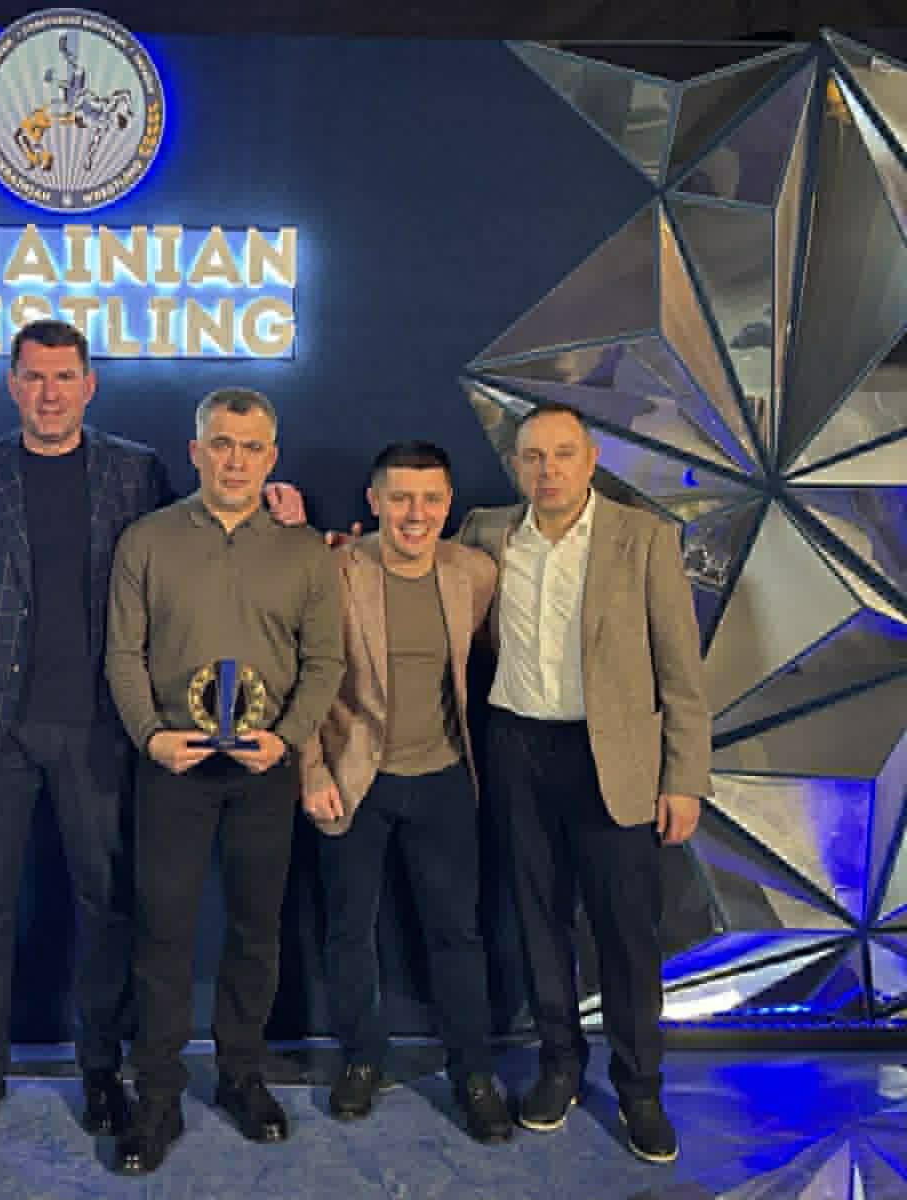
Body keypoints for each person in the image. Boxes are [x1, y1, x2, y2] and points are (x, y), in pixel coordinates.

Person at [0, 320, 304, 1144]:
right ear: (12, 384)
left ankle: (101, 1070)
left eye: (64, 377)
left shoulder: (137, 471)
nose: (49, 392)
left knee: (106, 907)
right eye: (34, 377)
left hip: (102, 727)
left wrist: (282, 515)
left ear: (89, 386)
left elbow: (201, 540)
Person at [458, 400, 709, 1165]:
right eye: (533, 456)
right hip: (516, 748)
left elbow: (681, 672)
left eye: (563, 453)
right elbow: (410, 571)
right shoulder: (485, 532)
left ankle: (640, 1089)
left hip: (614, 760)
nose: (549, 469)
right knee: (540, 922)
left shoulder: (645, 539)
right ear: (516, 466)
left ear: (591, 460)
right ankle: (559, 1066)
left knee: (626, 933)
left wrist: (683, 778)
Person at [104, 387, 344, 1175]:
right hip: (172, 767)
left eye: (250, 447)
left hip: (263, 770)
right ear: (195, 451)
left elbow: (325, 662)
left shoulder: (305, 552)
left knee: (254, 930)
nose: (235, 460)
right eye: (221, 444)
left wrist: (288, 740)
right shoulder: (147, 540)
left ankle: (243, 1074)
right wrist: (150, 736)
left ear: (271, 458)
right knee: (163, 931)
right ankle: (157, 1093)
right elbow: (124, 654)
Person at [299, 440, 512, 1142]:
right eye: (399, 498)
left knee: (457, 935)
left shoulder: (474, 573)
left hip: (445, 778)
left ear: (448, 504)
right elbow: (305, 676)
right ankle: (362, 1058)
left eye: (429, 499)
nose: (414, 514)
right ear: (374, 501)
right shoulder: (335, 570)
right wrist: (311, 770)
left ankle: (472, 1072)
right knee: (349, 931)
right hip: (354, 779)